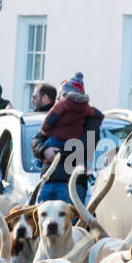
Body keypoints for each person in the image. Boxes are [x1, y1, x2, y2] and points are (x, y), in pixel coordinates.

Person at [31, 73, 104, 202]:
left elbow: (86, 146)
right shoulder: (55, 116)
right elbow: (37, 140)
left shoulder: (91, 119)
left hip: (73, 184)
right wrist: (44, 151)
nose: (57, 98)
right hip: (47, 180)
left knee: (70, 222)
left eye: (61, 94)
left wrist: (58, 154)